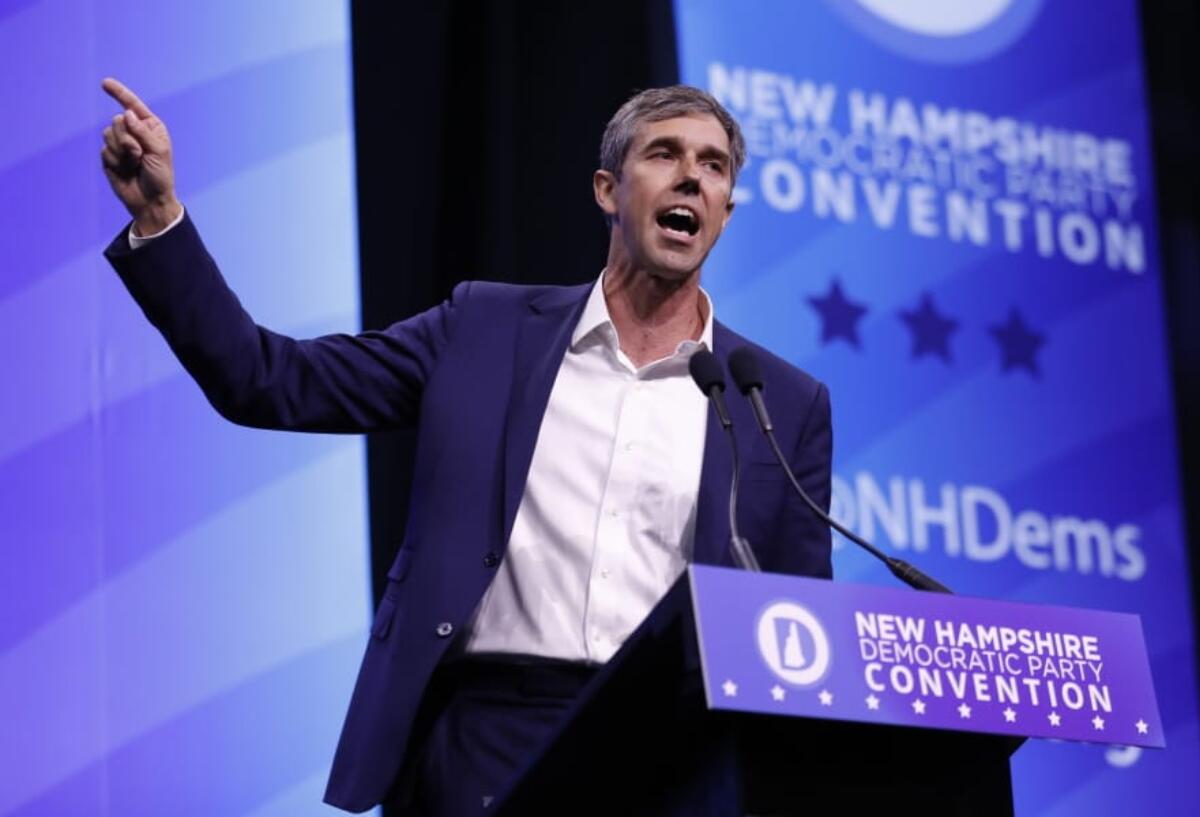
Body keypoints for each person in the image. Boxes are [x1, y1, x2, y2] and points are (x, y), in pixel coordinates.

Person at [99, 77, 833, 815]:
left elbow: (799, 630)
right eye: (665, 154)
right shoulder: (483, 329)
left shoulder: (778, 400)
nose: (690, 178)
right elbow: (268, 380)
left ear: (726, 212)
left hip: (668, 753)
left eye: (712, 166)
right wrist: (161, 218)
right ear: (608, 190)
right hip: (481, 740)